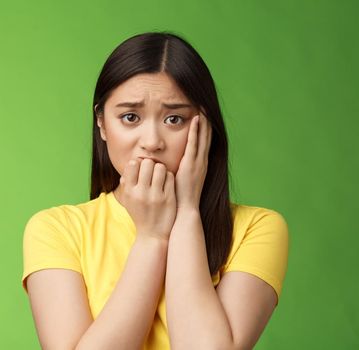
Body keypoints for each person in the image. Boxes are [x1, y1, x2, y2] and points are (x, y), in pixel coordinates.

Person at [21, 32, 289, 349]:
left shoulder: (257, 229)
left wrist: (187, 213)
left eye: (174, 118)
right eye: (130, 117)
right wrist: (151, 237)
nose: (151, 141)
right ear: (102, 124)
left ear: (205, 126)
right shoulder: (55, 229)